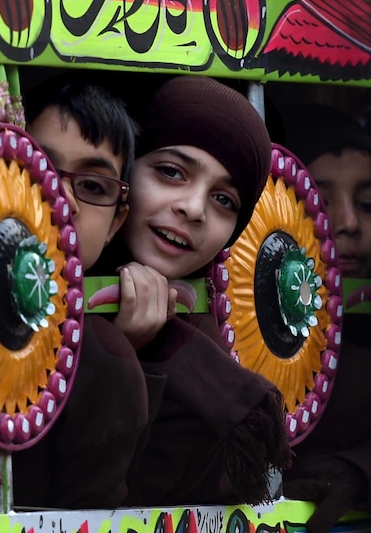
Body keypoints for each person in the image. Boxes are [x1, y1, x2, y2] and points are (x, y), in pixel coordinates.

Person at [95, 75, 292, 507]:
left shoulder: (212, 349)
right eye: (170, 172)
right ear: (125, 171)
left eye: (224, 200)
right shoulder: (56, 302)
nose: (193, 208)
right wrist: (117, 353)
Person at [12, 77, 177, 509]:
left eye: (92, 186)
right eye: (36, 168)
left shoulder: (107, 358)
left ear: (116, 225)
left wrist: (110, 358)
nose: (59, 196)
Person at [278, 104, 371, 533]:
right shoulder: (246, 329)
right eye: (319, 201)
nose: (347, 223)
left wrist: (364, 470)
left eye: (367, 203)